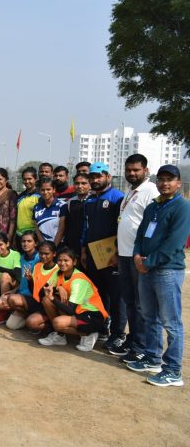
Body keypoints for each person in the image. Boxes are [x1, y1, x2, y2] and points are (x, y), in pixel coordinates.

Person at [128, 164, 190, 387]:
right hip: (145, 268)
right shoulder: (153, 207)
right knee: (149, 316)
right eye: (161, 179)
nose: (165, 183)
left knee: (171, 322)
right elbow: (140, 235)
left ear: (178, 183)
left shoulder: (182, 207)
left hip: (166, 270)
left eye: (170, 179)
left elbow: (174, 243)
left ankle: (173, 370)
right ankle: (152, 358)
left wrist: (149, 263)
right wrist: (137, 255)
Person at [114, 154, 159, 361]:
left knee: (141, 304)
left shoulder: (150, 192)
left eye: (136, 170)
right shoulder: (130, 192)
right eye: (129, 170)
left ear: (145, 171)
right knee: (130, 301)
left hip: (138, 256)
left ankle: (141, 347)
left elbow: (154, 225)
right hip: (124, 254)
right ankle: (133, 340)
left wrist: (144, 253)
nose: (132, 173)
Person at [81, 162, 124, 347]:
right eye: (92, 177)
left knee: (116, 296)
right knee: (98, 294)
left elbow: (122, 227)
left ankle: (118, 333)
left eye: (99, 176)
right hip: (92, 255)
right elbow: (86, 227)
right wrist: (83, 250)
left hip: (111, 256)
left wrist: (117, 252)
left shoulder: (117, 197)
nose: (95, 180)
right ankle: (102, 328)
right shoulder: (90, 200)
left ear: (108, 177)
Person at [37, 247, 108, 352]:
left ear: (74, 262)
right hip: (78, 311)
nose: (62, 263)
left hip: (92, 315)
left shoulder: (79, 280)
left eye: (66, 260)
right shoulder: (59, 273)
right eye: (60, 260)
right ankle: (60, 336)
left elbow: (71, 310)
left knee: (57, 322)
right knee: (46, 300)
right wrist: (58, 288)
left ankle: (89, 334)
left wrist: (52, 297)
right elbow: (41, 292)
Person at [0, 231, 39, 327]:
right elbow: (22, 280)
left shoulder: (40, 258)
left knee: (12, 299)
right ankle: (22, 312)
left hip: (33, 297)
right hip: (21, 294)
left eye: (29, 241)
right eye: (23, 241)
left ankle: (32, 313)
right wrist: (14, 290)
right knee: (0, 303)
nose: (25, 244)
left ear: (36, 243)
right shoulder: (22, 257)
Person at [54, 172, 90, 252]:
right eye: (77, 183)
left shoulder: (94, 200)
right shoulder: (70, 202)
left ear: (89, 185)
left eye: (83, 183)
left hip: (89, 246)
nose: (80, 186)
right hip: (73, 246)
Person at [33, 178, 65, 243]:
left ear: (54, 190)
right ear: (39, 191)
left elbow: (61, 229)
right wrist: (44, 245)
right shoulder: (36, 207)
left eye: (48, 189)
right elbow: (36, 229)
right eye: (42, 190)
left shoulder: (62, 205)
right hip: (44, 247)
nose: (45, 192)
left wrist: (53, 247)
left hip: (60, 245)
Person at [14, 167, 39, 249]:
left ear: (36, 179)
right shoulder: (20, 196)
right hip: (20, 235)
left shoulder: (40, 196)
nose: (27, 181)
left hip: (34, 235)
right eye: (25, 179)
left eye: (29, 179)